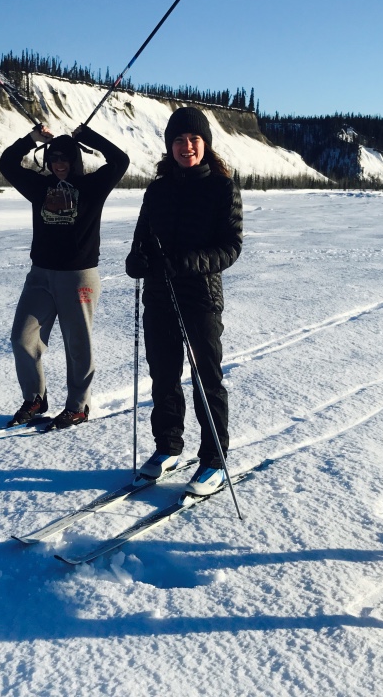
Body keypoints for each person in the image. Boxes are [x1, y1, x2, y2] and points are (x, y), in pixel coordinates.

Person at [125, 107, 243, 495]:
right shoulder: (157, 190)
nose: (186, 146)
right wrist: (136, 261)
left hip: (201, 297)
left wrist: (185, 263)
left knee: (207, 379)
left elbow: (230, 247)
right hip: (159, 295)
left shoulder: (222, 188)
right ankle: (168, 447)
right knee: (163, 375)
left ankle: (214, 460)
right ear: (169, 145)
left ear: (205, 144)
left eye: (193, 139)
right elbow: (141, 240)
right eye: (178, 140)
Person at [0, 122, 130, 429]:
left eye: (65, 158)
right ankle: (35, 399)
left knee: (77, 345)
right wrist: (32, 138)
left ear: (75, 160)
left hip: (79, 277)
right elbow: (6, 163)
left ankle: (78, 406)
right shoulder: (39, 187)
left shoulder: (93, 186)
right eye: (54, 158)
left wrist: (88, 136)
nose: (59, 164)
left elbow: (120, 160)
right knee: (22, 338)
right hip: (40, 276)